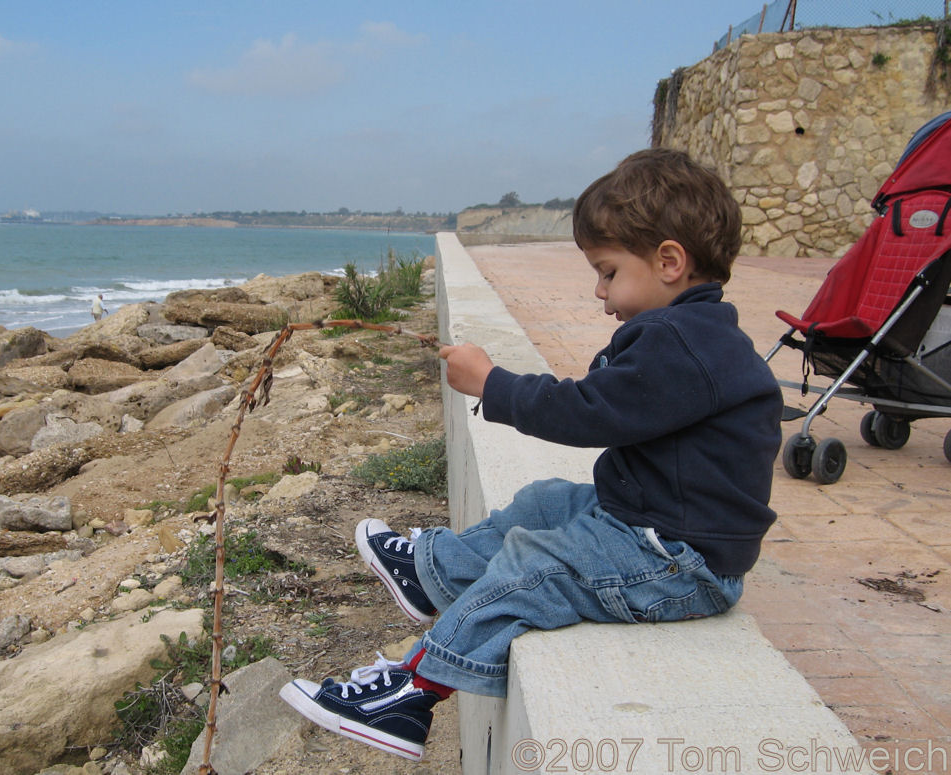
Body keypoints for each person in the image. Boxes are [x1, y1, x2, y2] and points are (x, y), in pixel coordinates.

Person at [279, 148, 783, 761]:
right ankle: (431, 572)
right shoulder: (692, 335)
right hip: (654, 526)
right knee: (547, 503)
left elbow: (590, 411)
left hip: (683, 563)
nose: (600, 294)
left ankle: (411, 694)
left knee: (535, 565)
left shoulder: (684, 343)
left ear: (670, 261)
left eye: (608, 271)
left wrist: (494, 385)